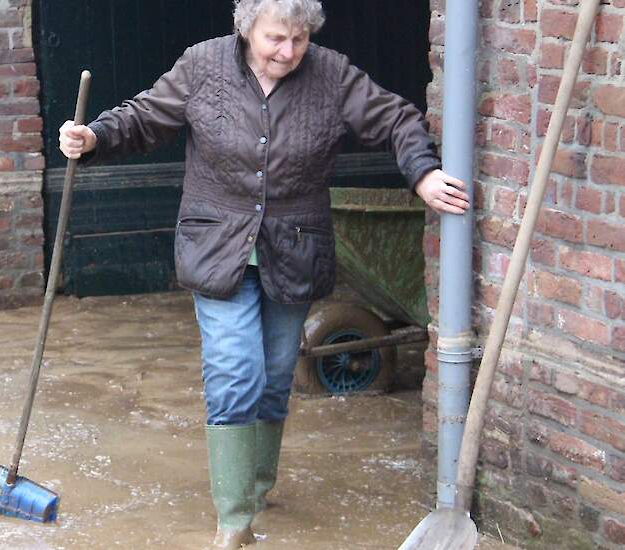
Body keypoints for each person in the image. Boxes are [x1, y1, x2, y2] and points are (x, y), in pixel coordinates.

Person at [59, 0, 470, 547]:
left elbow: (396, 117)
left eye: (299, 40)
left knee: (275, 379)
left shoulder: (330, 74)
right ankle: (234, 520)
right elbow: (144, 117)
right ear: (246, 28)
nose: (288, 51)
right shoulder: (203, 66)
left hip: (293, 250)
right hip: (216, 245)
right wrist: (93, 137)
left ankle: (256, 487)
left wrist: (421, 173)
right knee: (236, 372)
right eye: (276, 38)